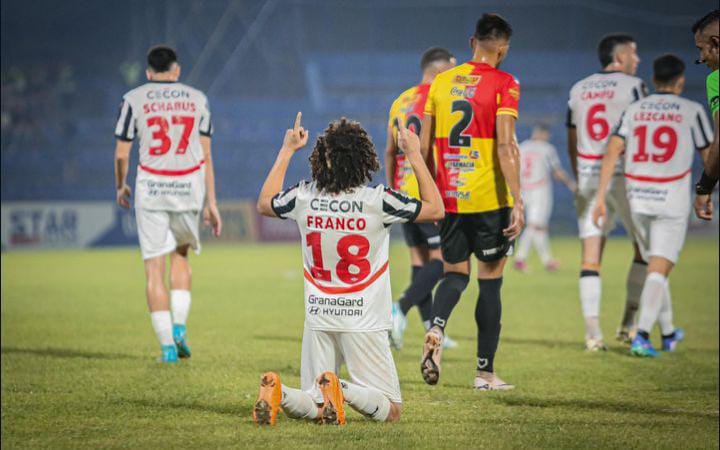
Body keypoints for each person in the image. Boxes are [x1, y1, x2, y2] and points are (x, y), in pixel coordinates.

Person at [253, 114, 444, 425]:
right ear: (363, 161)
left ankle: (280, 393)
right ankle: (339, 387)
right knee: (392, 410)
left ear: (322, 160)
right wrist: (413, 153)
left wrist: (288, 150)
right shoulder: (378, 201)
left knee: (316, 404)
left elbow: (264, 203)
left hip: (319, 315)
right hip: (363, 320)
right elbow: (436, 208)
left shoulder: (304, 196)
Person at [419, 13, 524, 390]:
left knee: (454, 275)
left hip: (448, 197)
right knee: (490, 283)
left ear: (471, 42)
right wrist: (518, 199)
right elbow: (505, 145)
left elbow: (426, 147)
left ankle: (437, 326)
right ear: (503, 48)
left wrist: (430, 195)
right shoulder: (505, 83)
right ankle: (484, 373)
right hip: (487, 197)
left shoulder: (441, 83)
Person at [592, 54, 713, 357]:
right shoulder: (692, 110)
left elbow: (613, 149)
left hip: (639, 198)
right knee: (660, 267)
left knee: (655, 265)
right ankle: (642, 335)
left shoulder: (635, 109)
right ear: (681, 81)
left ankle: (669, 332)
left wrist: (599, 197)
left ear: (654, 79)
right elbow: (709, 155)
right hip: (670, 199)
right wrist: (705, 191)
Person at [114, 45, 222, 363]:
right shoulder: (197, 99)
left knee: (153, 269)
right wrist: (211, 202)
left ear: (148, 73)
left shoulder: (133, 99)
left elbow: (122, 154)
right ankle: (178, 328)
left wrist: (121, 185)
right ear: (176, 70)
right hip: (189, 186)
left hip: (152, 187)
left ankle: (166, 349)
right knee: (181, 257)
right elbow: (206, 155)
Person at [566, 34, 647, 351]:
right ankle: (629, 323)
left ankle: (592, 334)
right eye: (634, 53)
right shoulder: (634, 86)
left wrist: (579, 176)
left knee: (590, 258)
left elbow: (572, 138)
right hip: (625, 179)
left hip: (588, 179)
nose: (637, 60)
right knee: (644, 251)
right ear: (621, 55)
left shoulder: (578, 88)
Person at [385, 46, 459, 350]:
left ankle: (431, 328)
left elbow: (390, 151)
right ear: (441, 71)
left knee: (420, 261)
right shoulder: (441, 98)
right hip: (429, 191)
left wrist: (395, 189)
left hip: (403, 191)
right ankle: (398, 309)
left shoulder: (401, 100)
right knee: (442, 263)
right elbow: (437, 149)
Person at [513, 124, 576, 272]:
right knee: (534, 225)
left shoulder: (522, 147)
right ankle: (520, 258)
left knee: (539, 227)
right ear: (544, 134)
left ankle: (548, 261)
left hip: (523, 190)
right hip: (539, 190)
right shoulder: (547, 148)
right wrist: (572, 185)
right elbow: (557, 172)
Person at [691, 9, 720, 220]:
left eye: (702, 49)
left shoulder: (716, 78)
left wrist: (704, 188)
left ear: (716, 42)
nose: (701, 58)